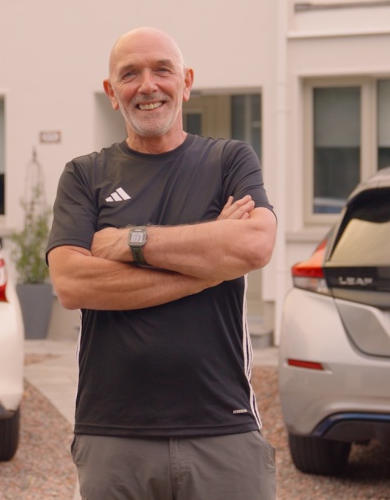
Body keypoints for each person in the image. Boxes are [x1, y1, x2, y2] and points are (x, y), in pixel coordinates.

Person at [46, 27, 278, 499]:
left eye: (162, 70)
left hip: (223, 426)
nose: (147, 85)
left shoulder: (229, 160)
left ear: (186, 81)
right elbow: (72, 283)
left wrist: (130, 241)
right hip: (113, 432)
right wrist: (210, 264)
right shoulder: (84, 175)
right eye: (130, 74)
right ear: (112, 93)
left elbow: (253, 246)